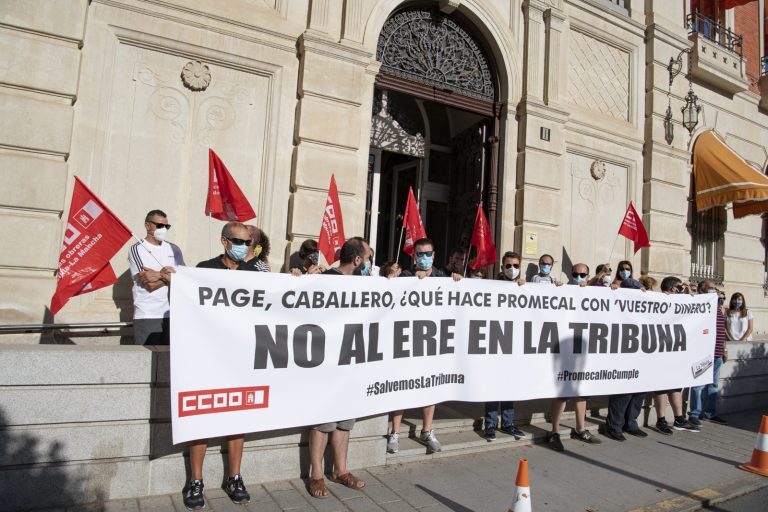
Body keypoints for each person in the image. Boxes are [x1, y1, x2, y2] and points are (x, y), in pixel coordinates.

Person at [183, 221, 257, 509]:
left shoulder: (254, 272)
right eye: (238, 241)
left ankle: (234, 477)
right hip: (208, 356)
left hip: (240, 358)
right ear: (224, 241)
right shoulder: (204, 269)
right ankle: (196, 481)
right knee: (202, 417)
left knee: (237, 419)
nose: (243, 247)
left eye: (248, 242)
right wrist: (173, 280)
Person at [308, 237, 371, 499]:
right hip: (326, 363)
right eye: (367, 259)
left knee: (345, 422)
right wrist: (301, 278)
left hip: (351, 362)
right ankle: (317, 475)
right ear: (357, 260)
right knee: (323, 422)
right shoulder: (323, 280)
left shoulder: (365, 285)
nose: (369, 264)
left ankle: (341, 471)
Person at [387, 238, 461, 454]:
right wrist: (397, 280)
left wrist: (457, 279)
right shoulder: (406, 277)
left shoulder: (443, 278)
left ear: (434, 255)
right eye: (420, 254)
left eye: (428, 253)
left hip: (433, 343)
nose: (424, 257)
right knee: (400, 386)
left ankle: (427, 431)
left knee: (430, 387)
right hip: (407, 341)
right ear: (414, 256)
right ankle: (395, 433)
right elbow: (389, 292)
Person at [546, 262, 601, 451]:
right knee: (562, 394)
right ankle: (554, 431)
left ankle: (581, 428)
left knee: (581, 392)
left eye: (583, 274)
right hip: (563, 350)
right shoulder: (563, 288)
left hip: (583, 350)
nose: (579, 277)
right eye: (576, 274)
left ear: (588, 275)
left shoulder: (594, 292)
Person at [485, 251, 526, 442]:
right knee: (493, 386)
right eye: (508, 265)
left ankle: (508, 423)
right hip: (495, 343)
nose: (512, 269)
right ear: (502, 267)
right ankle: (490, 425)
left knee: (510, 386)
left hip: (514, 347)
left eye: (516, 266)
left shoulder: (524, 287)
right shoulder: (492, 286)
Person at [601, 277, 649, 441]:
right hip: (622, 356)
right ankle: (614, 426)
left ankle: (631, 423)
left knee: (639, 392)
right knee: (623, 393)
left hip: (641, 354)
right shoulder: (616, 302)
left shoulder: (645, 308)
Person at [128, 209, 184, 345]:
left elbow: (182, 278)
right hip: (148, 315)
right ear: (147, 225)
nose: (163, 229)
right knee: (146, 361)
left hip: (171, 314)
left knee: (168, 361)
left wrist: (159, 275)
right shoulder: (137, 249)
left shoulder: (174, 249)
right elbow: (150, 284)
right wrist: (170, 276)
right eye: (159, 225)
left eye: (166, 226)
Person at [652, 276, 699, 434]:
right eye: (680, 287)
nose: (682, 289)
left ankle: (679, 418)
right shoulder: (656, 300)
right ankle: (661, 420)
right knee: (661, 387)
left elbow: (697, 305)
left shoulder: (681, 302)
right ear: (673, 288)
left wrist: (689, 291)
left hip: (677, 351)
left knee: (676, 386)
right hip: (660, 351)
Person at [688, 279, 729, 426]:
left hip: (718, 352)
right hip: (703, 353)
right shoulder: (699, 303)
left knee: (713, 385)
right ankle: (695, 413)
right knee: (698, 385)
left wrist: (724, 349)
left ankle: (710, 412)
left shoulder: (718, 307)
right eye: (712, 288)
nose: (715, 291)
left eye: (716, 289)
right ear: (702, 289)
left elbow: (721, 331)